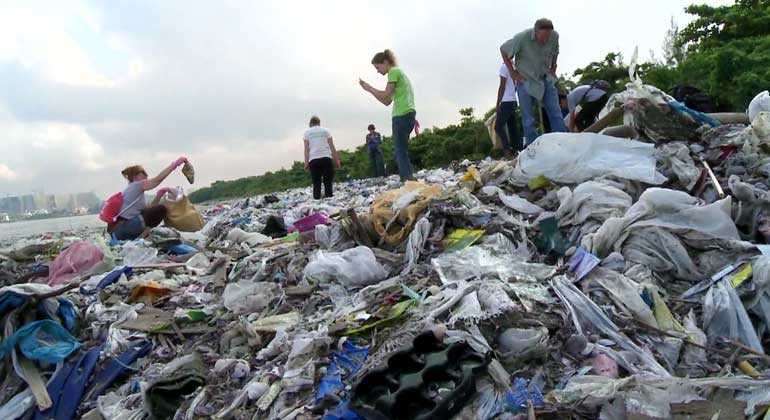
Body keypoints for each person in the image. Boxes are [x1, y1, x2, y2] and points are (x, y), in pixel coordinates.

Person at [500, 18, 567, 145]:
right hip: (525, 80)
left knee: (556, 113)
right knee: (528, 119)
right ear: (535, 32)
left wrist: (553, 67)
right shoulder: (522, 38)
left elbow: (556, 51)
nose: (546, 40)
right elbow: (503, 50)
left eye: (548, 36)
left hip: (544, 78)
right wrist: (513, 73)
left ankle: (562, 143)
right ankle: (533, 148)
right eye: (543, 37)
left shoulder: (554, 36)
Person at [359, 49, 416, 182]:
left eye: (377, 67)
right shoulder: (399, 73)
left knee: (399, 151)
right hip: (408, 113)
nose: (377, 71)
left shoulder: (393, 72)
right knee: (401, 149)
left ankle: (407, 180)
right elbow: (387, 101)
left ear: (385, 62)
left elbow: (385, 97)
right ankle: (409, 178)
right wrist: (370, 89)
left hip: (401, 114)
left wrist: (369, 89)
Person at [110, 157, 188, 241]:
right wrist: (174, 165)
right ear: (134, 176)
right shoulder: (137, 185)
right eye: (143, 173)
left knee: (155, 210)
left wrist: (159, 194)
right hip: (124, 228)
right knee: (161, 209)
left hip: (117, 232)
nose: (146, 175)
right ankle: (143, 237)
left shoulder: (132, 190)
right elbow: (158, 179)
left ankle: (142, 236)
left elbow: (150, 208)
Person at [303, 115, 341, 199]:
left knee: (316, 183)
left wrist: (306, 163)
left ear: (311, 123)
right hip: (326, 158)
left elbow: (306, 149)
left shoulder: (307, 132)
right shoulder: (326, 131)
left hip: (314, 160)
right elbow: (332, 147)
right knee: (328, 182)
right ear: (319, 123)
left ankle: (317, 203)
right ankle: (330, 202)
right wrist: (337, 161)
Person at [495, 63, 522, 157]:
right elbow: (515, 85)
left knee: (498, 127)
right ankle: (517, 150)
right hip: (513, 101)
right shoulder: (514, 67)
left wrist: (498, 102)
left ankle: (507, 150)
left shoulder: (503, 67)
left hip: (506, 101)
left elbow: (502, 86)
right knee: (512, 127)